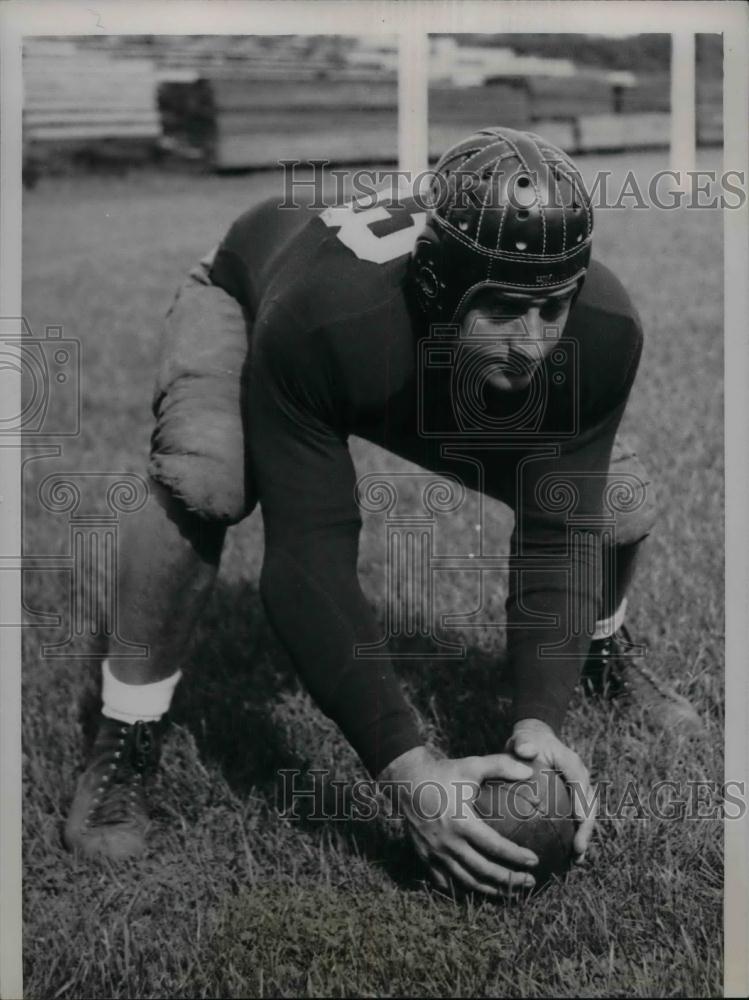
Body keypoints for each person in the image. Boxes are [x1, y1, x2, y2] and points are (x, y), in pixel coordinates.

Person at [64, 127, 701, 895]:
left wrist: (538, 721)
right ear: (437, 286)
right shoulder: (322, 320)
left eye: (551, 306)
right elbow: (308, 561)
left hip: (422, 359)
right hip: (253, 293)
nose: (532, 344)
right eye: (503, 308)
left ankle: (597, 654)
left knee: (614, 501)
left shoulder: (600, 328)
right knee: (208, 477)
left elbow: (556, 532)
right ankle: (126, 727)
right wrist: (406, 765)